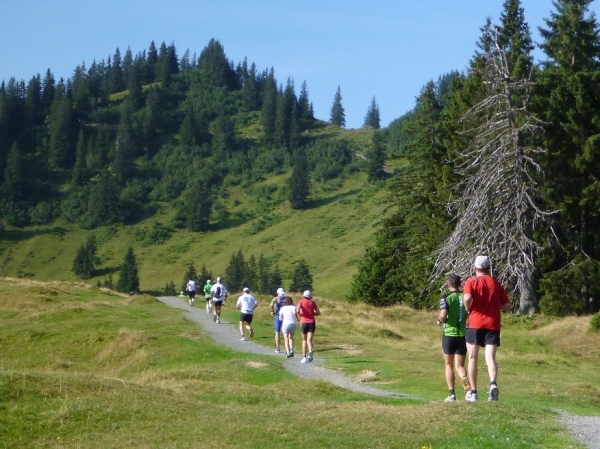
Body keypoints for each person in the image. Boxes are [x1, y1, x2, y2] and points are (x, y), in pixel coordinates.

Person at [464, 255, 511, 402]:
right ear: (488, 268)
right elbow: (508, 306)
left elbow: (467, 298)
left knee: (473, 357)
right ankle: (493, 384)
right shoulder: (495, 284)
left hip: (475, 323)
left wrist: (468, 308)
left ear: (475, 268)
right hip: (493, 324)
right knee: (490, 358)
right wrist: (495, 306)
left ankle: (473, 392)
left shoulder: (471, 281)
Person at [437, 273, 471, 402]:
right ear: (460, 284)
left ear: (448, 284)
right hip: (462, 334)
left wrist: (439, 320)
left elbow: (443, 314)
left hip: (449, 334)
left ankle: (452, 394)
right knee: (460, 365)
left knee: (448, 365)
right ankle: (466, 385)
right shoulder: (464, 297)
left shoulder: (446, 297)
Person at [297, 290, 320, 363]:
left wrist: (300, 315)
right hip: (312, 322)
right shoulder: (313, 302)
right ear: (310, 296)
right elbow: (318, 312)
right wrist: (312, 314)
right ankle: (310, 350)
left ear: (304, 295)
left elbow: (297, 311)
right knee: (309, 340)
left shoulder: (301, 301)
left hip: (304, 322)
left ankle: (304, 357)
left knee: (304, 340)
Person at [270, 287, 286, 353]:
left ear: (277, 293)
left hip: (278, 315)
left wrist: (272, 311)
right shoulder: (287, 298)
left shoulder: (276, 298)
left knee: (277, 332)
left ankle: (278, 347)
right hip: (285, 316)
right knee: (286, 332)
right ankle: (288, 348)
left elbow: (271, 305)